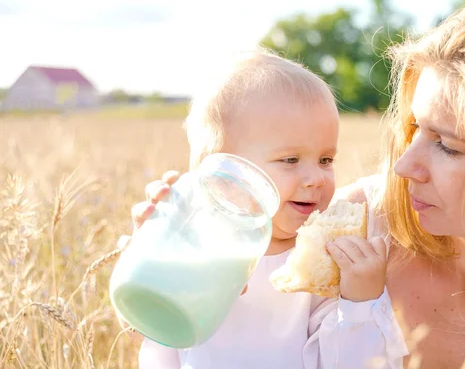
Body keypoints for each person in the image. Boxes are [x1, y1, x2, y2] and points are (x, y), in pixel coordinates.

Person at [134, 0, 465, 368]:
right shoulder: (355, 225)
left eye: (449, 145)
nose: (402, 167)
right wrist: (180, 251)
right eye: (415, 129)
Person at [126, 50, 408, 369]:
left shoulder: (325, 265)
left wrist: (360, 303)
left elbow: (351, 363)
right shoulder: (200, 246)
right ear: (222, 172)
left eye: (326, 160)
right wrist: (153, 253)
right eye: (290, 160)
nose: (316, 178)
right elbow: (156, 338)